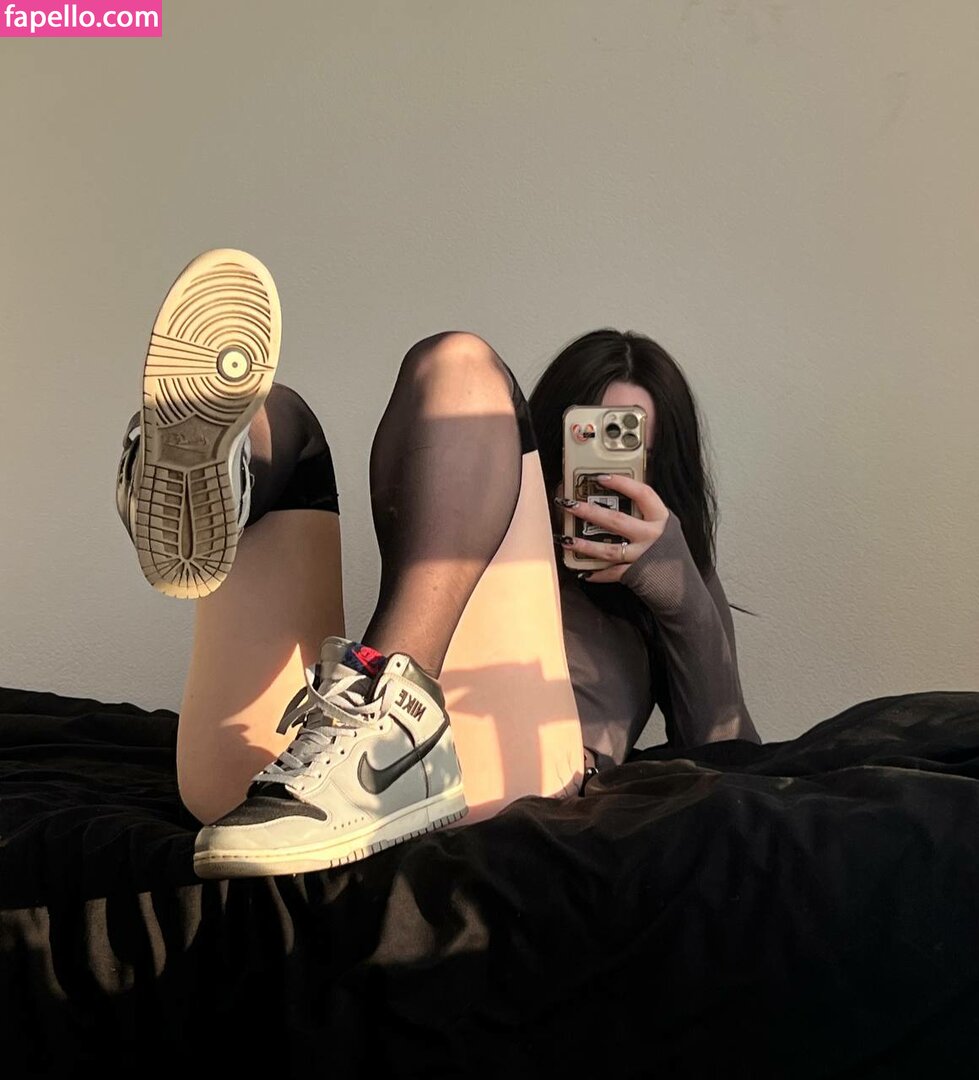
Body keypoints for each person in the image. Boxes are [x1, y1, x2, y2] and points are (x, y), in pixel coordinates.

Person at [114, 248, 757, 879]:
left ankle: (383, 711)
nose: (601, 475)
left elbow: (730, 755)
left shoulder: (675, 583)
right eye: (584, 437)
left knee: (459, 365)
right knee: (286, 416)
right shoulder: (479, 509)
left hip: (497, 781)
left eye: (629, 448)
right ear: (541, 440)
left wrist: (672, 581)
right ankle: (220, 477)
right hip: (286, 773)